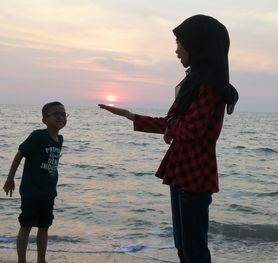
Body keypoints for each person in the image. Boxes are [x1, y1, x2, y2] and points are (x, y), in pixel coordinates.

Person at [99, 14, 238, 263]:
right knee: (182, 244)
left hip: (195, 175)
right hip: (181, 171)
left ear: (197, 45)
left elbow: (191, 130)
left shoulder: (209, 86)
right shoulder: (193, 82)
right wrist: (131, 116)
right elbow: (171, 124)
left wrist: (172, 127)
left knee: (193, 247)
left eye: (179, 43)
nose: (176, 50)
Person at [3, 101, 68, 263]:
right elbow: (20, 154)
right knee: (26, 226)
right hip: (31, 190)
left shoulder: (59, 139)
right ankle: (21, 260)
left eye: (63, 114)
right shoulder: (38, 136)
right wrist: (10, 178)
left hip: (48, 191)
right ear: (44, 119)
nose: (61, 117)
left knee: (44, 226)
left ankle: (41, 260)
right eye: (56, 114)